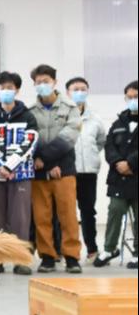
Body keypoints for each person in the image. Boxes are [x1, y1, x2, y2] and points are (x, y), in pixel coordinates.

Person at [0, 71, 39, 275]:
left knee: (21, 218)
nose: (5, 91)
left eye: (10, 88)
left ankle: (21, 260)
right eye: (2, 87)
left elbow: (29, 143)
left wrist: (10, 166)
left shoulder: (27, 116)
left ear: (17, 90)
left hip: (21, 174)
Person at [29, 64, 83, 273]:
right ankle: (47, 257)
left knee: (68, 215)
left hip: (63, 169)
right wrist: (43, 162)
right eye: (38, 82)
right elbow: (30, 138)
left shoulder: (70, 108)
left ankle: (71, 257)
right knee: (41, 217)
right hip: (39, 171)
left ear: (55, 82)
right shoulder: (30, 111)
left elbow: (68, 138)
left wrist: (50, 162)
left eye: (46, 81)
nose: (42, 85)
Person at [94, 81, 138, 270]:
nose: (133, 100)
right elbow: (109, 145)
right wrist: (118, 162)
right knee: (115, 211)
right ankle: (109, 249)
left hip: (135, 175)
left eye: (136, 97)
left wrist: (131, 164)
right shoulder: (119, 122)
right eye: (130, 97)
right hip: (119, 178)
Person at [65, 77, 107, 262]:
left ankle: (92, 249)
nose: (79, 92)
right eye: (75, 89)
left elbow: (100, 141)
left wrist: (90, 155)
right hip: (67, 171)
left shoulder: (95, 119)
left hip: (88, 172)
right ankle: (64, 250)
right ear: (68, 93)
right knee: (65, 212)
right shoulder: (63, 116)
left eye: (83, 89)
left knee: (88, 211)